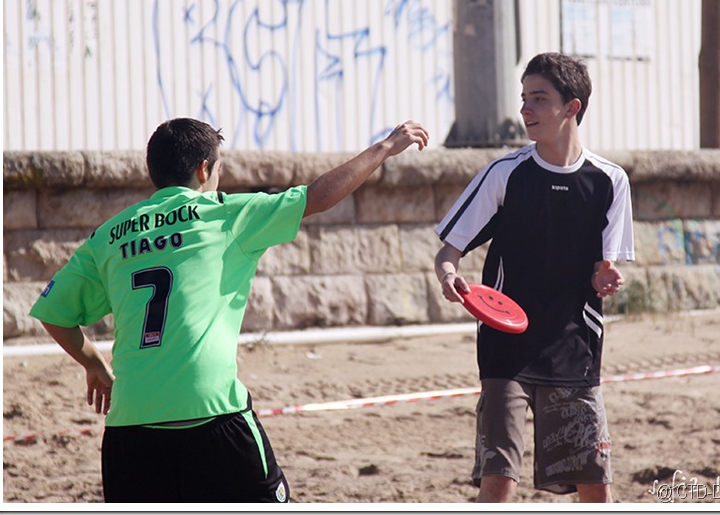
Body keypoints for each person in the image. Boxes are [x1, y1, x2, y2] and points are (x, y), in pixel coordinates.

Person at [29, 117, 429, 503]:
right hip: (212, 413)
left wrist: (93, 364)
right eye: (219, 169)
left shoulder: (108, 235)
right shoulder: (224, 214)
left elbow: (54, 313)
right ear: (204, 170)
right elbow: (319, 195)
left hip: (129, 426)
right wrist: (385, 147)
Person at [434, 52, 634, 503]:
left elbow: (604, 268)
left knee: (595, 484)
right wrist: (449, 276)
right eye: (524, 98)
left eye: (539, 98)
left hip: (575, 348)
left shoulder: (609, 181)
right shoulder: (505, 173)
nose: (525, 109)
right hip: (505, 348)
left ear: (571, 107)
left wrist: (605, 276)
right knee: (499, 478)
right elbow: (448, 251)